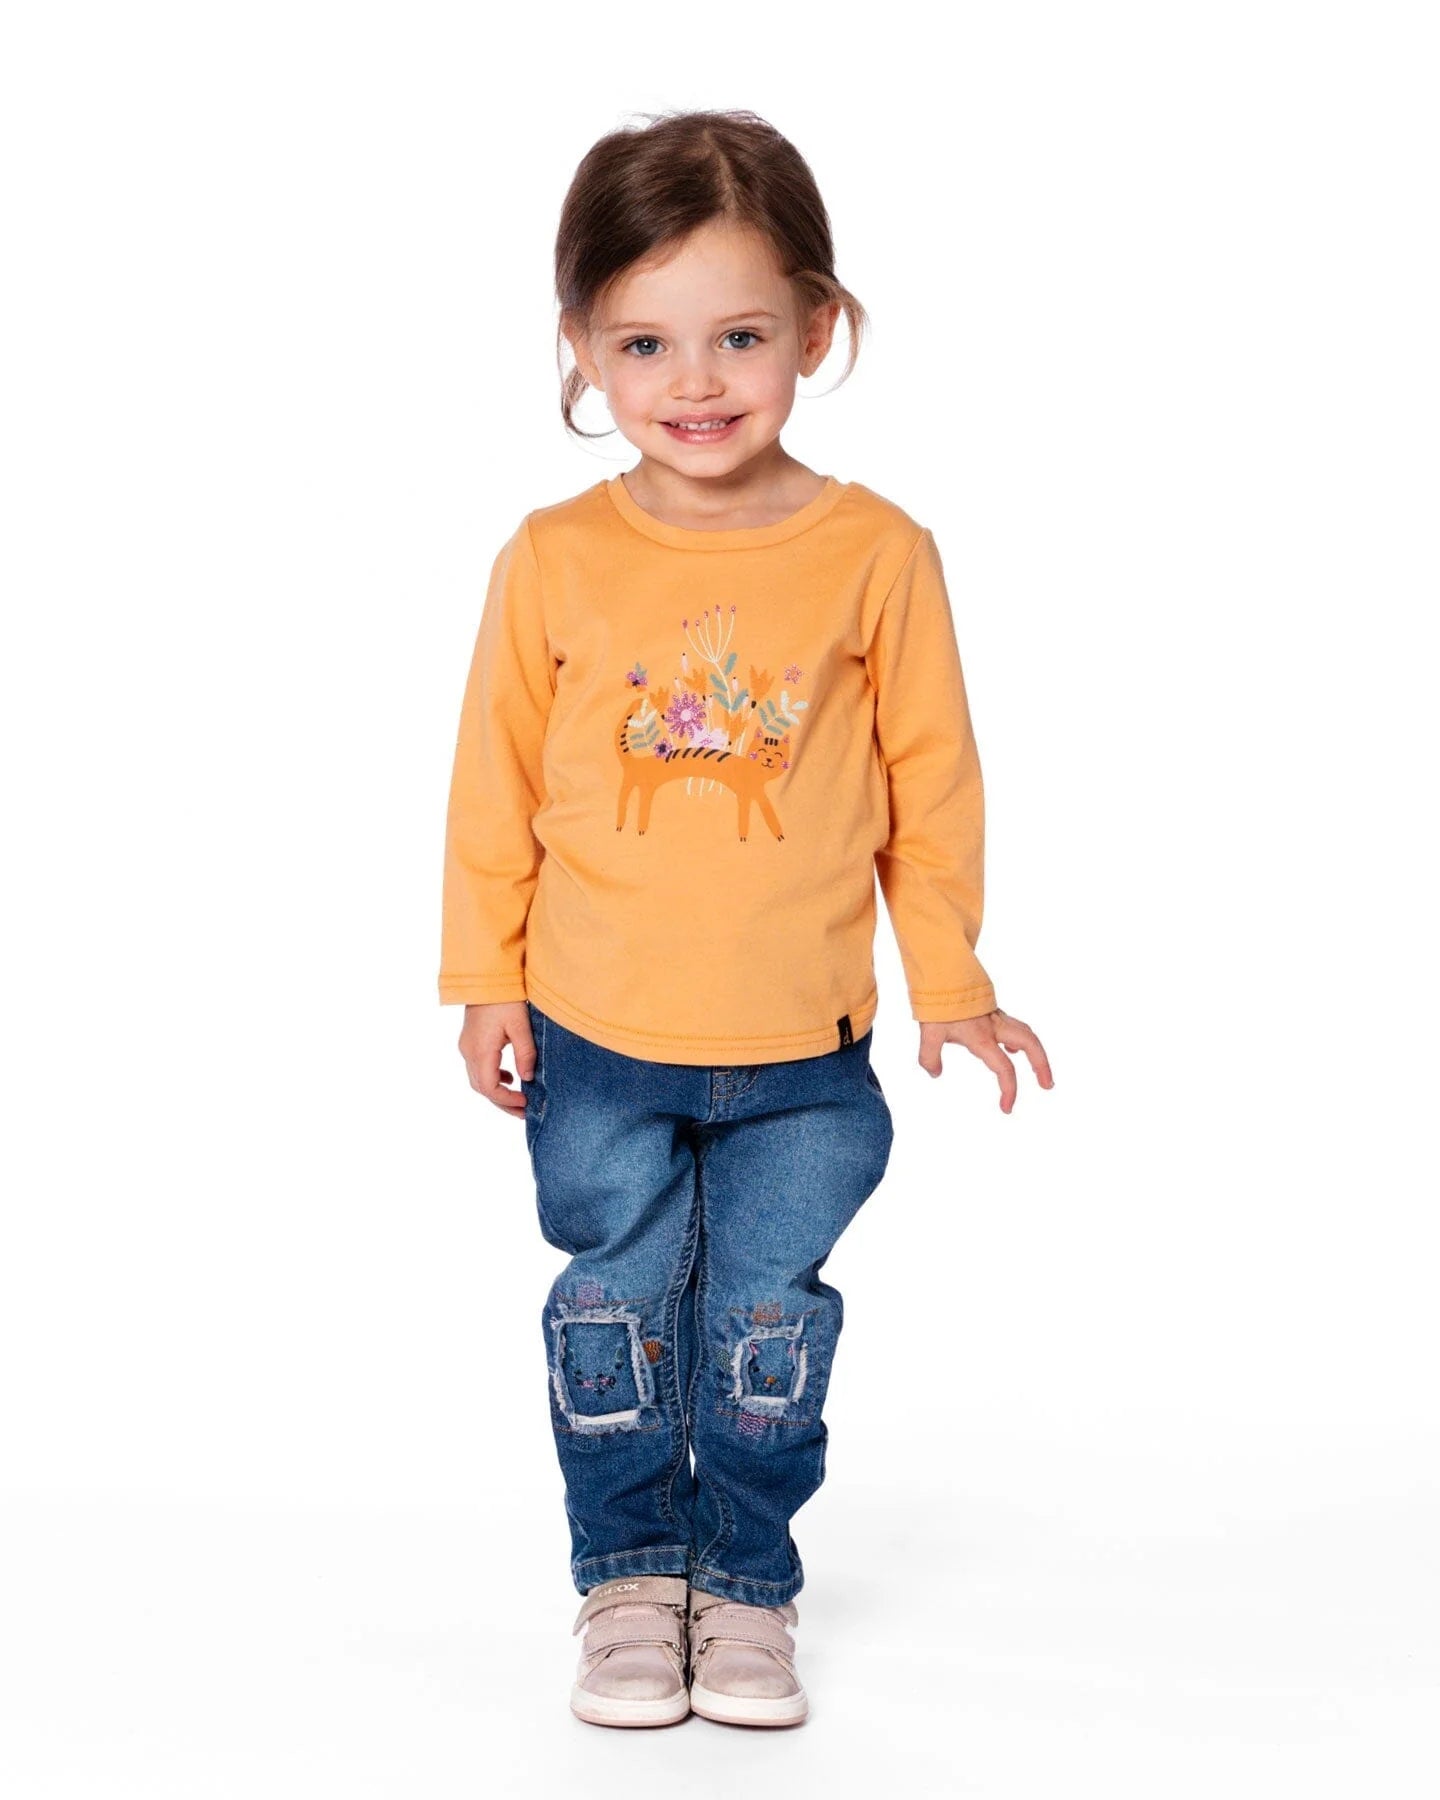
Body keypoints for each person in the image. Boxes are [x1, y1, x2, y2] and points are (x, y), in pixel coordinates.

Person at [439, 107, 1053, 1730]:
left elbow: (932, 785)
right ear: (581, 347)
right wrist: (483, 979)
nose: (695, 381)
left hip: (804, 1056)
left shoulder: (877, 554)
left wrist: (953, 979)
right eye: (644, 341)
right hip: (593, 1038)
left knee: (765, 1326)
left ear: (816, 329)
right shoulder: (553, 559)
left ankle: (749, 1583)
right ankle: (630, 1579)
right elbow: (495, 784)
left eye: (740, 336)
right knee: (616, 1312)